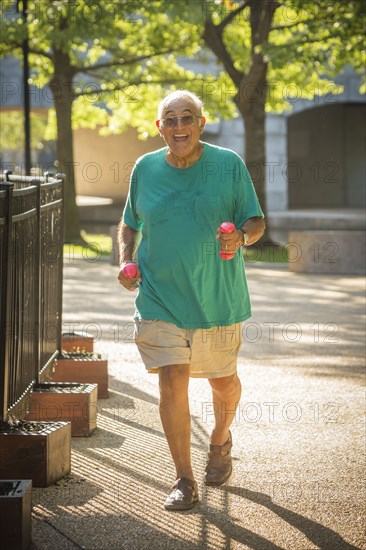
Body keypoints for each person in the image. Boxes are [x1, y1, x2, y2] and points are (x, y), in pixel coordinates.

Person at [117, 90, 265, 511]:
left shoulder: (228, 165)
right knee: (171, 380)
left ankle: (219, 441)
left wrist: (241, 236)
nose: (179, 126)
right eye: (171, 119)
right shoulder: (145, 168)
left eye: (187, 118)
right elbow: (129, 224)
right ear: (159, 126)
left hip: (217, 297)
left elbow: (255, 220)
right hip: (160, 296)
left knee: (223, 382)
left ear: (201, 124)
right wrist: (126, 261)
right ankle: (183, 478)